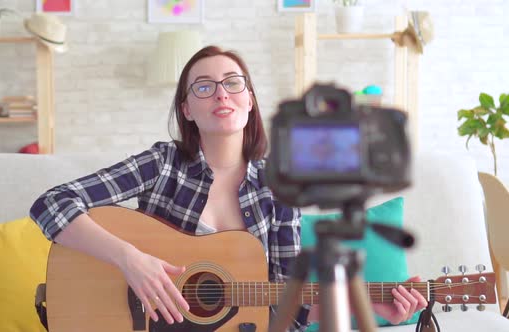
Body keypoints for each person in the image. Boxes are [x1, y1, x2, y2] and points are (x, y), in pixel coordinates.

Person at [30, 45, 427, 331]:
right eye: (203, 86)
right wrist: (131, 260)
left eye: (233, 83)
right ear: (187, 109)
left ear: (250, 100)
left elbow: (286, 306)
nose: (221, 93)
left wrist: (374, 308)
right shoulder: (163, 163)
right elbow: (51, 204)